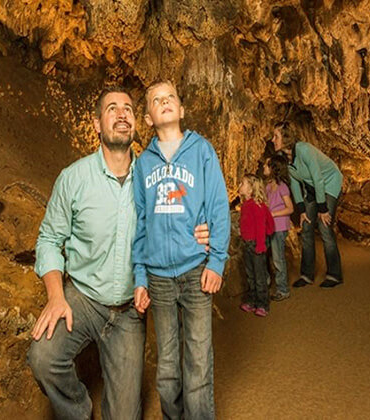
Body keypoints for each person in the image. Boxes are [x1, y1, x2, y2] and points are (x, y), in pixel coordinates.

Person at [27, 86, 210, 420]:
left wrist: (203, 231)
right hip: (83, 298)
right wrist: (56, 296)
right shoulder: (74, 178)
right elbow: (50, 239)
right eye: (112, 108)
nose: (122, 113)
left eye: (128, 108)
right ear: (97, 124)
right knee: (43, 357)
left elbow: (183, 216)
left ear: (136, 123)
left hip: (129, 311)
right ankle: (80, 413)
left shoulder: (155, 178)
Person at [131, 80, 230, 419]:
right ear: (148, 118)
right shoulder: (143, 164)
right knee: (168, 366)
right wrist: (140, 275)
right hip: (158, 277)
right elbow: (141, 223)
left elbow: (218, 206)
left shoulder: (201, 151)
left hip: (195, 271)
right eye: (157, 100)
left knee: (199, 360)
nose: (165, 102)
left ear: (181, 109)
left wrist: (216, 260)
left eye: (171, 97)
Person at [271, 122, 344, 288]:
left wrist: (323, 209)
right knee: (306, 228)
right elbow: (295, 183)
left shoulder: (304, 150)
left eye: (276, 136)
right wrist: (302, 210)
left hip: (329, 183)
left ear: (286, 138)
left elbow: (318, 178)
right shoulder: (285, 158)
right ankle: (307, 274)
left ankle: (334, 274)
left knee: (324, 227)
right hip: (312, 188)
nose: (272, 139)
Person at [238, 174, 275, 317]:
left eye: (242, 183)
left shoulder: (256, 205)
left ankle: (263, 304)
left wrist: (261, 244)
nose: (239, 185)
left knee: (259, 276)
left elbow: (262, 226)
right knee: (250, 275)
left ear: (250, 189)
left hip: (256, 244)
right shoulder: (246, 205)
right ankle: (252, 301)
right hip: (248, 244)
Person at [263, 154, 294, 301]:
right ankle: (266, 283)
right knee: (265, 256)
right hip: (269, 227)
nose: (263, 167)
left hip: (280, 227)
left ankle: (283, 289)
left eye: (266, 165)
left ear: (274, 168)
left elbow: (290, 208)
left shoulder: (282, 187)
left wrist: (273, 213)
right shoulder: (268, 186)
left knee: (278, 259)